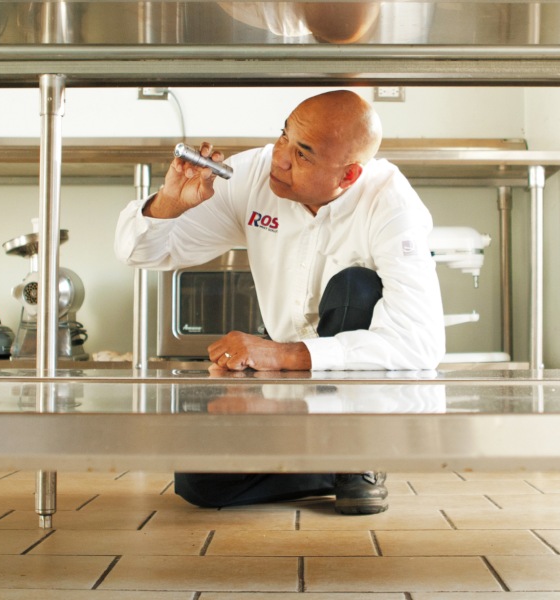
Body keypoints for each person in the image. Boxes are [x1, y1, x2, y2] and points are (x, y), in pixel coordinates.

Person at [115, 90, 446, 515]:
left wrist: (281, 354)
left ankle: (357, 455)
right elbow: (140, 254)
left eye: (303, 154)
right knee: (201, 484)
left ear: (348, 177)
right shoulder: (253, 174)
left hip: (352, 388)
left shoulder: (392, 205)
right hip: (285, 380)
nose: (280, 158)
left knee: (357, 288)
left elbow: (419, 343)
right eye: (283, 136)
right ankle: (322, 464)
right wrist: (169, 204)